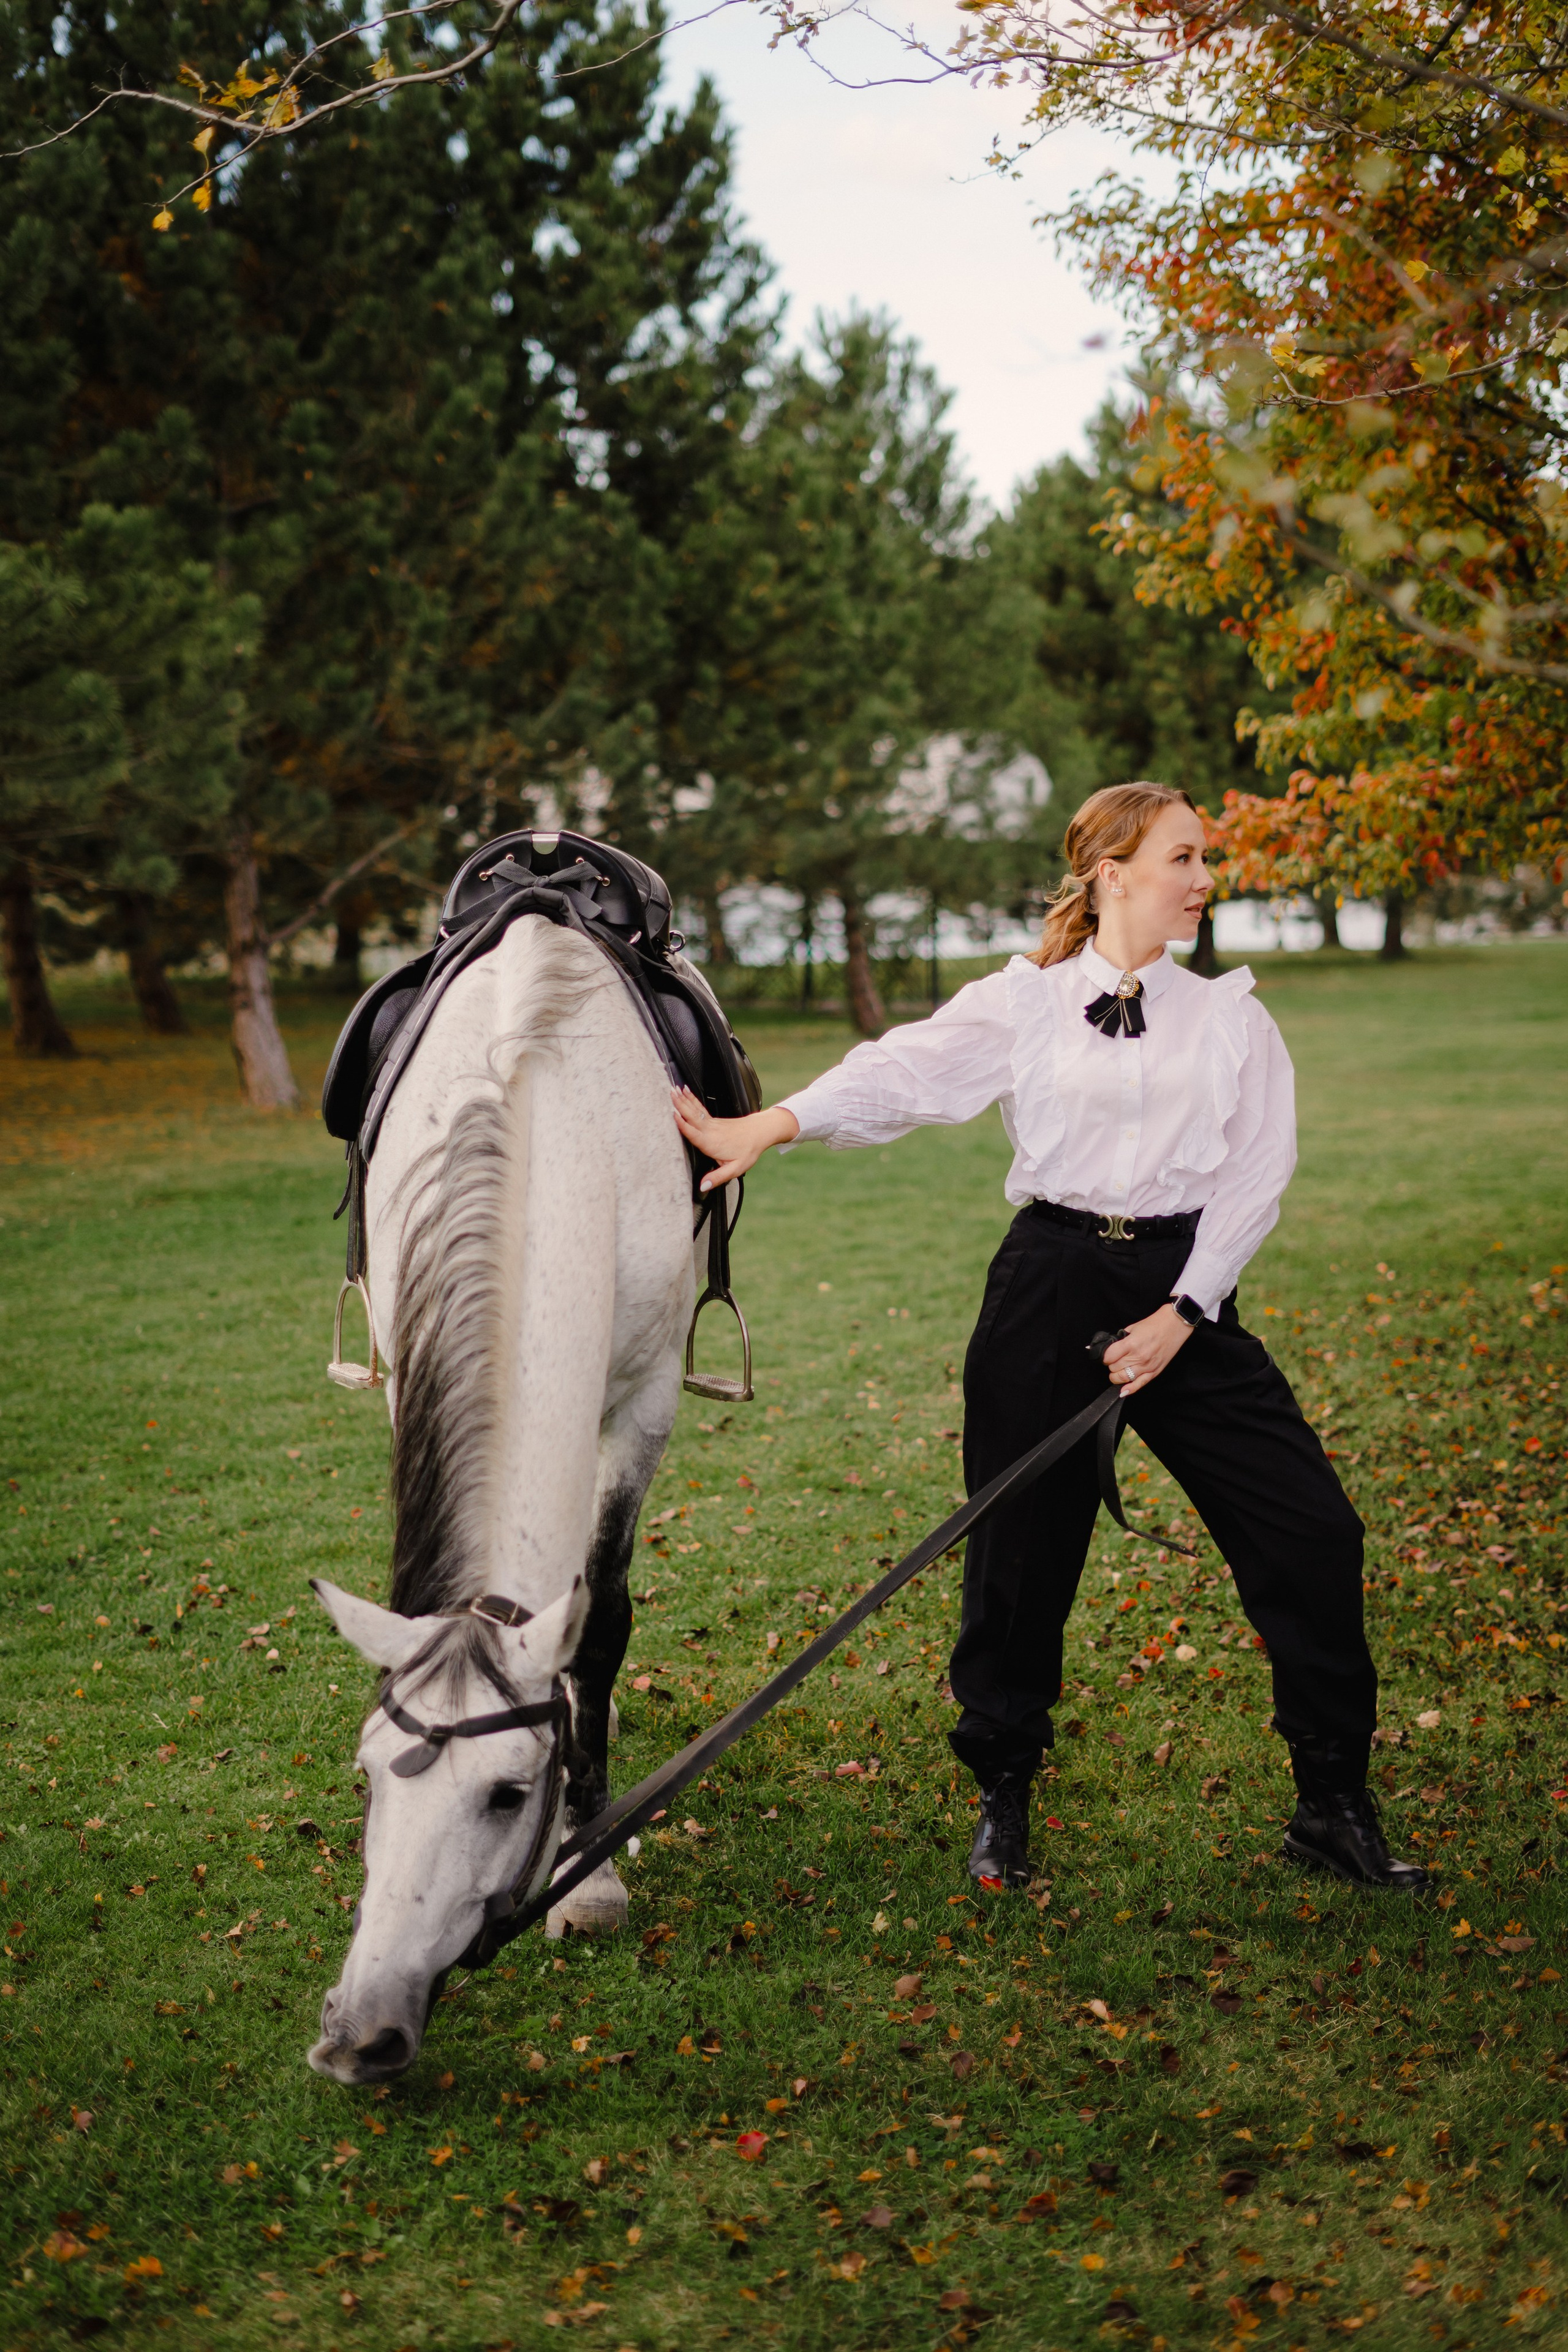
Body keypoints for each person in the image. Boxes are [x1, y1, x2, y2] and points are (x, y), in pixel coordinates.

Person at [673, 783, 1426, 1899]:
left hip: (1186, 1292)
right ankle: (1004, 1795)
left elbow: (1258, 1177)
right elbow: (902, 1070)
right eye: (1183, 858)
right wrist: (768, 1125)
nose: (1204, 879)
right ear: (1113, 871)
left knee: (1313, 1533)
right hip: (1046, 1283)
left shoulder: (1232, 1019)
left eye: (1204, 859)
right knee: (1020, 1558)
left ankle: (1333, 1805)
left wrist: (1182, 1314)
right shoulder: (1024, 1004)